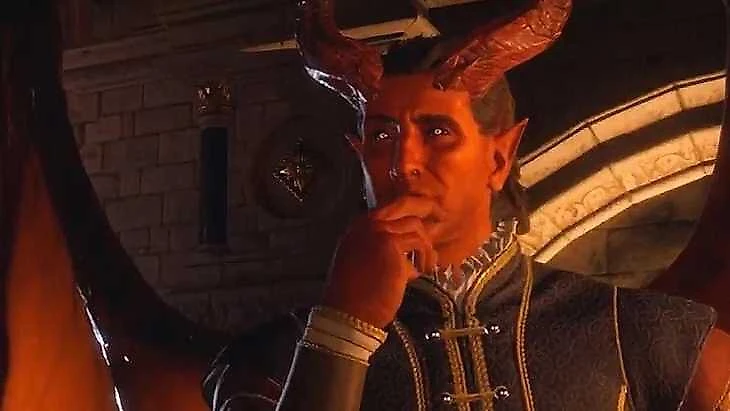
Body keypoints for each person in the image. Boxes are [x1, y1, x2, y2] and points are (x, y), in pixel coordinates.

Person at [204, 0, 730, 409]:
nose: (403, 162)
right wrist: (344, 329)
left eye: (436, 132)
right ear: (357, 155)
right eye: (382, 136)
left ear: (499, 157)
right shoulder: (270, 362)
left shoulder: (639, 335)